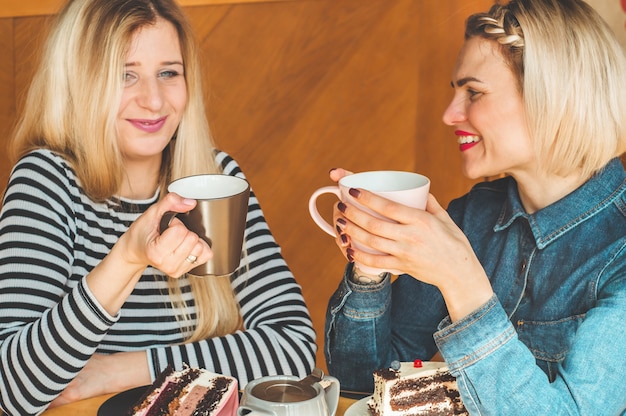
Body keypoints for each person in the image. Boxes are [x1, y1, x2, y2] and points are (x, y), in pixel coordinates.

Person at [0, 1, 316, 415]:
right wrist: (129, 257)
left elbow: (293, 347)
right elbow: (13, 390)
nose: (153, 100)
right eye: (124, 75)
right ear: (80, 83)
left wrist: (122, 369)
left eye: (169, 73)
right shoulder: (46, 180)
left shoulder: (216, 177)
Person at [324, 0, 626, 414]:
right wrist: (371, 266)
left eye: (474, 92)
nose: (450, 115)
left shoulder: (620, 254)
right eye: (455, 92)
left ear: (553, 97)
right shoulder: (472, 216)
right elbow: (364, 386)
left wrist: (462, 281)